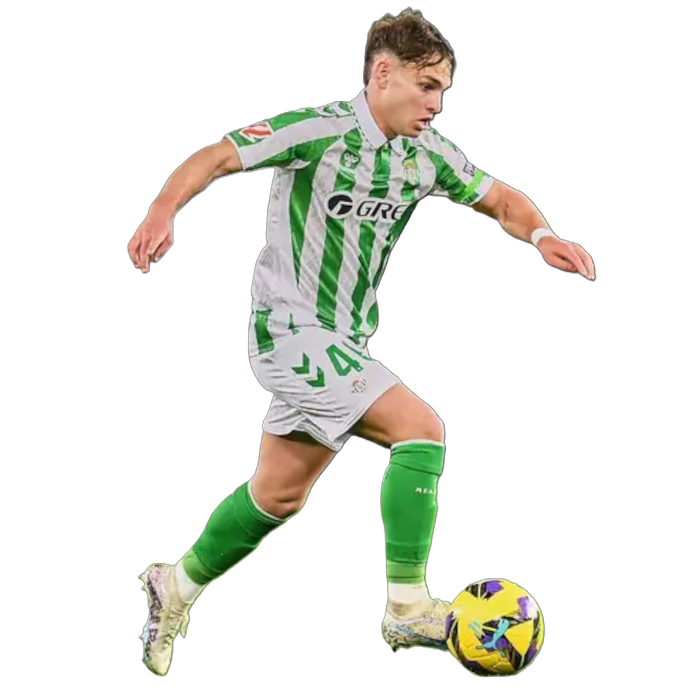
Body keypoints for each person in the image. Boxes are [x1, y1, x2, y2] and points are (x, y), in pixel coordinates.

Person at [128, 8, 595, 677]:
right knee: (421, 430)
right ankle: (406, 607)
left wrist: (544, 236)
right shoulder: (320, 131)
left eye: (442, 90)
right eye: (427, 86)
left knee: (278, 496)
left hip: (344, 342)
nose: (436, 104)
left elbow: (500, 200)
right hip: (290, 332)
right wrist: (162, 210)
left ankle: (175, 585)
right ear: (383, 73)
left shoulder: (425, 156)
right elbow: (219, 157)